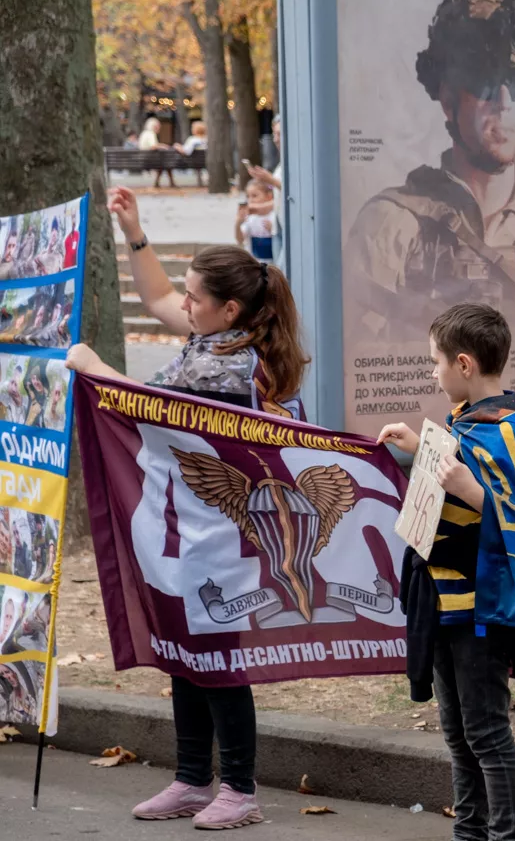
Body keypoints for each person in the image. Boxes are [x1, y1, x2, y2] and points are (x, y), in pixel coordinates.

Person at [64, 184, 310, 830]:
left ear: (227, 309)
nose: (184, 303)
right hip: (192, 533)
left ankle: (239, 786)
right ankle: (193, 777)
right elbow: (156, 298)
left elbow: (143, 401)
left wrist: (91, 365)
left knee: (220, 661)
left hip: (224, 541)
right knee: (185, 651)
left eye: (195, 296)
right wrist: (136, 234)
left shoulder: (223, 368)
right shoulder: (220, 337)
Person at [378, 303, 515, 841]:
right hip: (442, 603)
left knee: (487, 734)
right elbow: (454, 467)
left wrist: (469, 490)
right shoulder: (463, 423)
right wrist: (419, 448)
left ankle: (505, 836)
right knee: (458, 733)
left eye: (435, 362)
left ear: (462, 364)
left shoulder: (512, 432)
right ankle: (470, 833)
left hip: (484, 610)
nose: (432, 372)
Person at [344, 0, 515, 357]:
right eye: (485, 87)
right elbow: (359, 364)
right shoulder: (389, 226)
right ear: (449, 102)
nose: (503, 103)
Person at [246, 115, 283, 262]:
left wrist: (270, 180)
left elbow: (295, 193)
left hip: (284, 227)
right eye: (274, 134)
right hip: (278, 226)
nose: (275, 139)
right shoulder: (281, 164)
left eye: (279, 134)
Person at [235, 181, 276, 262]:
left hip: (273, 262)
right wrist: (238, 223)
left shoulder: (274, 215)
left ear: (269, 196)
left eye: (254, 196)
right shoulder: (249, 218)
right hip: (254, 262)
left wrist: (273, 229)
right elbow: (240, 240)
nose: (250, 200)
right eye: (248, 196)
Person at [139, 118, 176, 189]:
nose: (159, 128)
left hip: (143, 158)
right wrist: (163, 146)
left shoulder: (144, 133)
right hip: (148, 159)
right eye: (158, 126)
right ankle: (171, 182)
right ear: (154, 126)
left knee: (165, 163)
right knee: (167, 163)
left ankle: (158, 183)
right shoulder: (151, 134)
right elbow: (153, 146)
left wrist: (161, 145)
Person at [176, 121, 208, 187]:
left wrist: (177, 147)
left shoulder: (193, 140)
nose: (191, 129)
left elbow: (186, 152)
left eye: (192, 128)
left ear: (195, 130)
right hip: (205, 162)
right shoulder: (206, 139)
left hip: (192, 162)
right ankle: (201, 181)